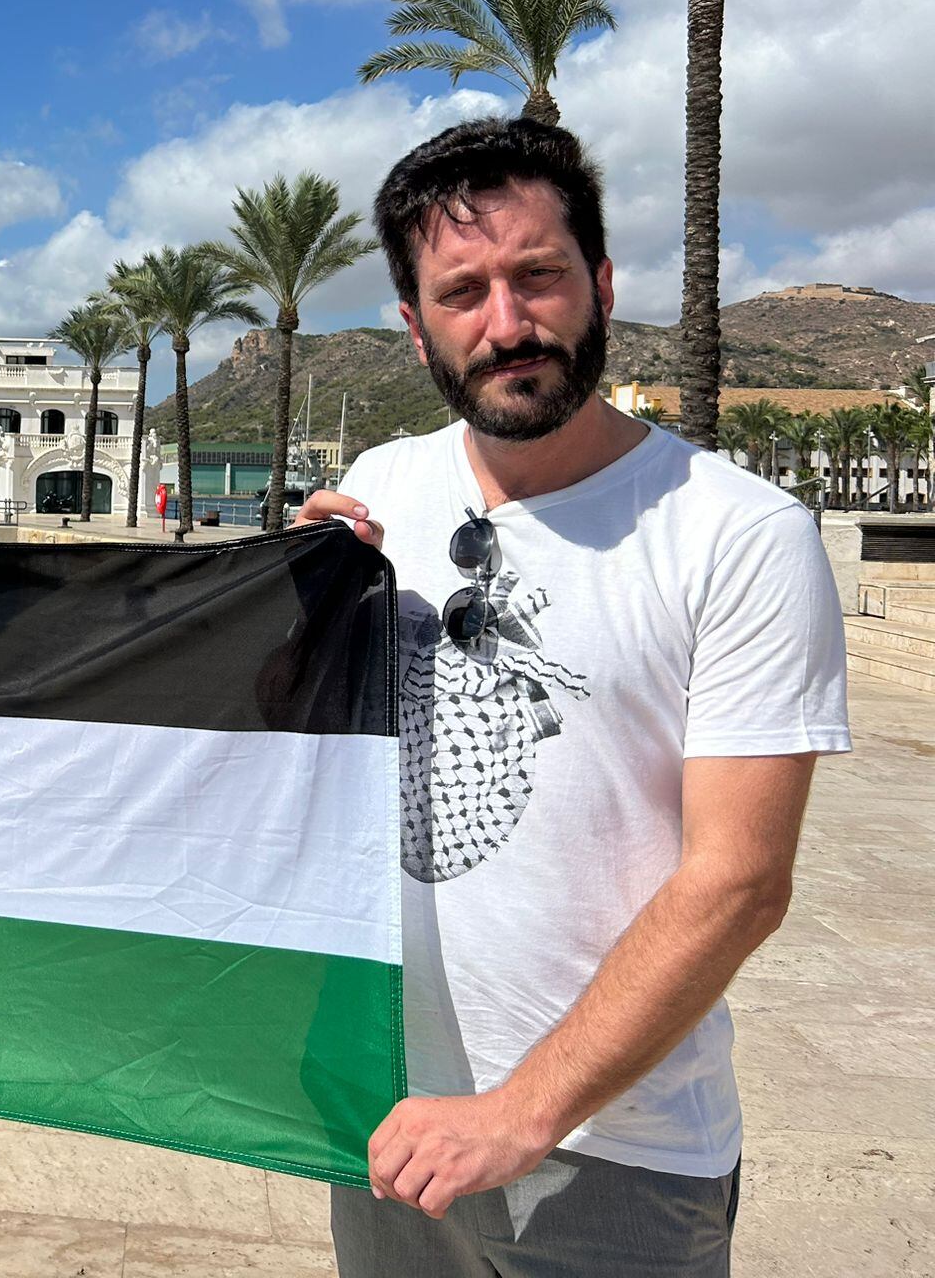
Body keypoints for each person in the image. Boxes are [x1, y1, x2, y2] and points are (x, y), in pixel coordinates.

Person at [300, 117, 849, 1277]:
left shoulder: (736, 533)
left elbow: (739, 881)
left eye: (537, 276)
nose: (505, 324)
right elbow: (297, 755)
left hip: (616, 1159)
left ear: (598, 284)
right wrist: (281, 605)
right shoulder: (377, 489)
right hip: (390, 1126)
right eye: (461, 293)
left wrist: (517, 1112)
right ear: (413, 328)